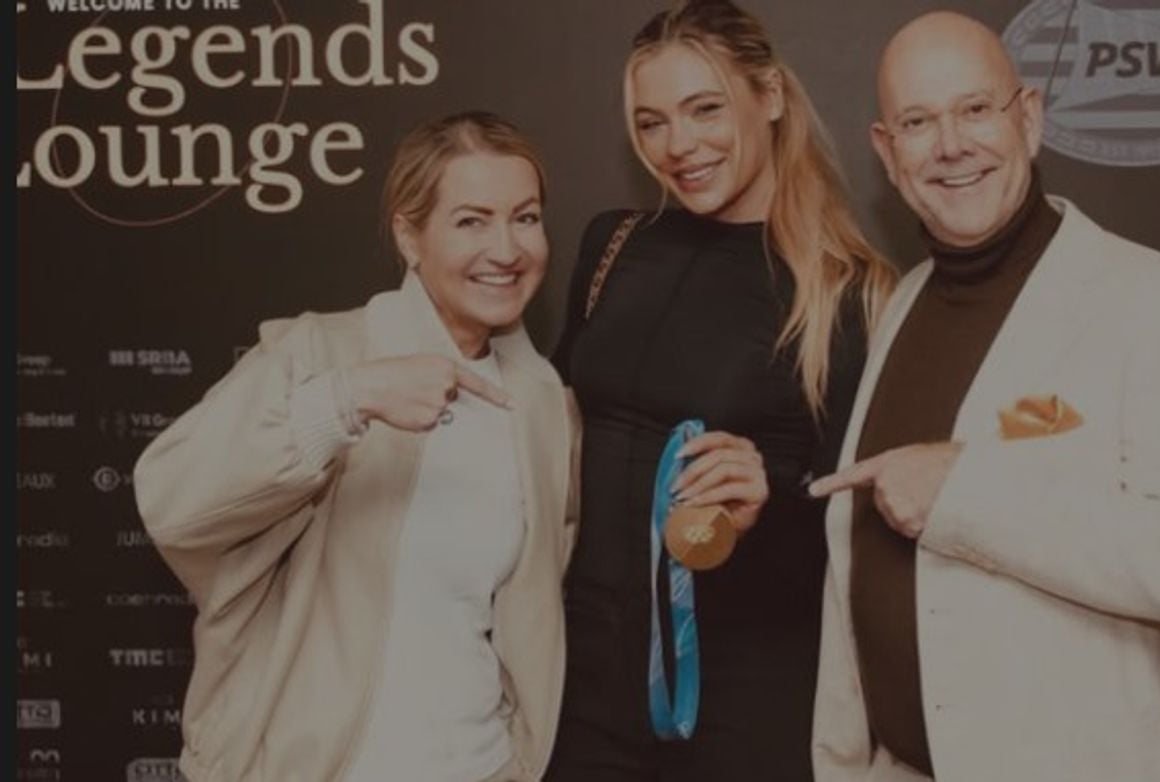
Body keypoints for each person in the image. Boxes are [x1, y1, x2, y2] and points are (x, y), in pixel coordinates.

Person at [808, 11, 1160, 782]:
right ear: (887, 150)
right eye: (918, 121)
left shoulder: (1154, 301)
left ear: (1030, 117)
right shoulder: (903, 301)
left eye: (976, 109)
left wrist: (964, 493)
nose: (950, 146)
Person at [133, 112, 575, 782]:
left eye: (526, 216)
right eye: (471, 220)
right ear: (409, 234)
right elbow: (172, 502)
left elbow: (531, 613)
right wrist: (346, 400)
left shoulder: (543, 403)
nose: (507, 248)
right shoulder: (320, 353)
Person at [546, 2, 896, 780]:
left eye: (705, 109)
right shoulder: (613, 245)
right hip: (584, 690)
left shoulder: (846, 291)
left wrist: (769, 496)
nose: (680, 146)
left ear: (769, 96)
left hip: (749, 698)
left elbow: (860, 541)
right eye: (652, 122)